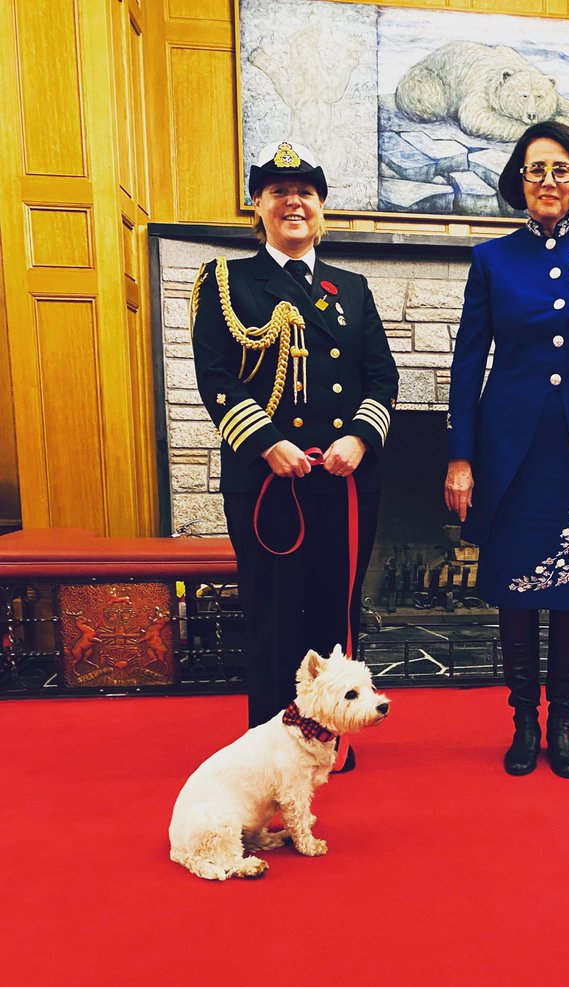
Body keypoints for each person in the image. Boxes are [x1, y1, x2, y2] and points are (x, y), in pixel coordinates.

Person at [444, 121, 569, 780]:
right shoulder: (493, 260)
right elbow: (467, 363)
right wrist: (460, 454)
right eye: (536, 170)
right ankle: (522, 720)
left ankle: (563, 720)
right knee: (516, 588)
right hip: (513, 453)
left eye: (560, 169)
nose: (548, 182)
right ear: (519, 181)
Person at [191, 141, 398, 769]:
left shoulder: (353, 289)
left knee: (334, 611)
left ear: (322, 209)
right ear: (259, 206)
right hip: (268, 482)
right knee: (274, 612)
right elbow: (216, 375)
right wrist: (265, 441)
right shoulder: (228, 280)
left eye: (305, 192)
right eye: (279, 191)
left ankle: (329, 736)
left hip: (341, 480)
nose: (293, 202)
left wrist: (359, 438)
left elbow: (381, 379)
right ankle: (269, 746)